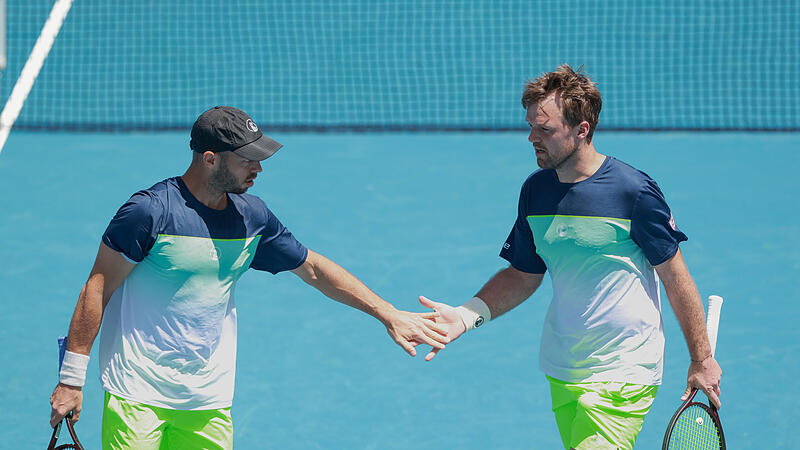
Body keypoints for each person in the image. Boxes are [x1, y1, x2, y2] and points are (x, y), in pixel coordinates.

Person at [49, 106, 449, 449]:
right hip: (137, 394)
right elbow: (97, 287)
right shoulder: (150, 211)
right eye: (247, 159)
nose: (258, 168)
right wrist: (71, 379)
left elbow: (312, 268)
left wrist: (387, 313)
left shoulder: (251, 218)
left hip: (208, 400)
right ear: (210, 159)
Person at [419, 65, 722, 449]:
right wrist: (465, 316)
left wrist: (701, 359)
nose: (532, 138)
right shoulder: (536, 191)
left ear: (582, 130)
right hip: (564, 368)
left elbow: (675, 277)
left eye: (545, 130)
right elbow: (523, 273)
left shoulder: (633, 192)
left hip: (623, 371)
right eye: (531, 126)